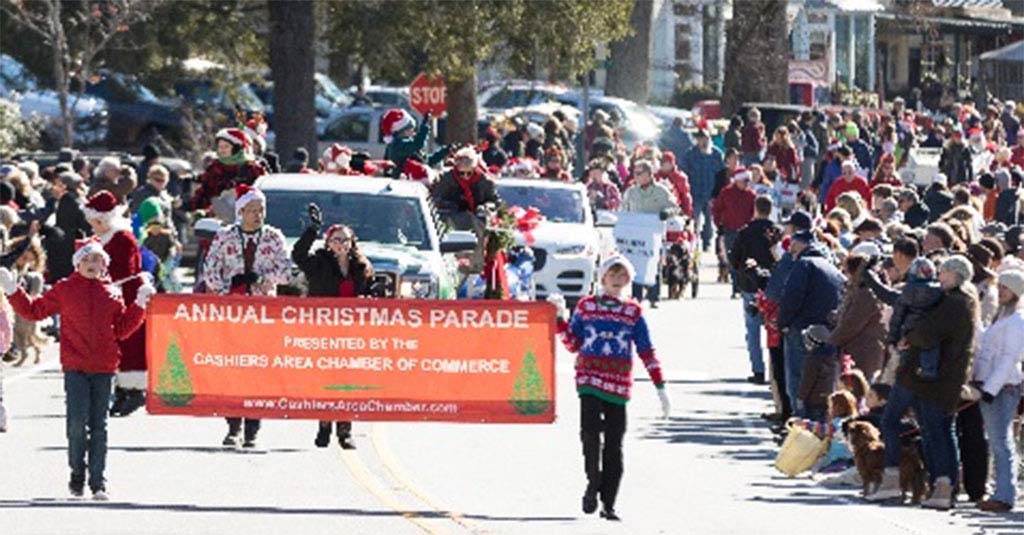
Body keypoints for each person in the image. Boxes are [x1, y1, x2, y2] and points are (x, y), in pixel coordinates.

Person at [0, 239, 153, 500]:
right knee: (76, 424)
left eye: (98, 260)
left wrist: (139, 304)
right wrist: (13, 290)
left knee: (99, 426)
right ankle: (77, 474)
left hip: (104, 369)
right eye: (88, 260)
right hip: (76, 368)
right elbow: (34, 311)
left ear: (105, 266)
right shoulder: (65, 289)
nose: (93, 264)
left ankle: (98, 482)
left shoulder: (112, 294)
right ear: (78, 264)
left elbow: (124, 329)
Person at [550, 255, 671, 521]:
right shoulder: (586, 307)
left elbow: (646, 350)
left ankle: (609, 502)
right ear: (602, 278)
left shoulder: (633, 312)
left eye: (622, 276)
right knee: (590, 435)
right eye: (612, 275)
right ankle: (593, 483)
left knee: (615, 445)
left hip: (618, 385)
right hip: (589, 380)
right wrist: (559, 319)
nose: (617, 280)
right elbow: (572, 343)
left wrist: (660, 386)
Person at [868, 256, 978, 510]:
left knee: (902, 422)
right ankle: (943, 486)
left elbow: (927, 332)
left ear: (957, 275)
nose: (940, 276)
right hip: (938, 378)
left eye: (945, 272)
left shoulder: (954, 303)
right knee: (937, 431)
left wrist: (907, 335)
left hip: (927, 377)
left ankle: (896, 480)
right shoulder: (960, 301)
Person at [202, 184, 291, 448]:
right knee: (233, 367)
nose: (257, 215)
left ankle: (253, 426)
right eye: (251, 210)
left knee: (257, 368)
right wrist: (228, 285)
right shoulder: (225, 236)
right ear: (241, 212)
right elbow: (210, 270)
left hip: (263, 311)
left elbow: (286, 272)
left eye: (260, 210)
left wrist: (262, 278)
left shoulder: (273, 237)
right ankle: (233, 425)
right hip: (233, 310)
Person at [293, 204, 375, 450]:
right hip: (325, 331)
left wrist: (371, 297)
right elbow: (298, 256)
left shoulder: (361, 267)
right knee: (327, 380)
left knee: (348, 381)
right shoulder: (319, 262)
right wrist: (311, 231)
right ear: (328, 242)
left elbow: (368, 291)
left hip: (351, 334)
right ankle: (324, 425)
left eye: (346, 240)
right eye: (336, 239)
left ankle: (345, 429)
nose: (341, 244)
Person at [82, 191, 148, 417]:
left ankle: (136, 388)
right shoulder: (102, 238)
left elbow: (125, 270)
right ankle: (121, 389)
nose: (92, 227)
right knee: (116, 344)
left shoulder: (123, 238)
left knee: (131, 341)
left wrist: (101, 274)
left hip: (128, 295)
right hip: (111, 295)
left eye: (94, 223)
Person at [778, 230, 845, 417]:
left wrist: (783, 323)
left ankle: (799, 421)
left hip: (802, 328)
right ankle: (816, 422)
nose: (790, 251)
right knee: (818, 379)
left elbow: (792, 297)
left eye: (793, 246)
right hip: (826, 330)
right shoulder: (832, 268)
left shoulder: (804, 264)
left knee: (797, 377)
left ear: (802, 246)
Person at [972, 269, 1024, 512]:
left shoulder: (1016, 322)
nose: (1000, 291)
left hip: (1002, 387)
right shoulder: (1001, 317)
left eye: (1005, 287)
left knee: (1000, 441)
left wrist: (990, 389)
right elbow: (985, 346)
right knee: (998, 441)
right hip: (991, 385)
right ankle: (1002, 491)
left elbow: (1008, 359)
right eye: (1000, 286)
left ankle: (1004, 495)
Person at [728, 195, 777, 384]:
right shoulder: (776, 232)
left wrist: (741, 272)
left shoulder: (745, 232)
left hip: (750, 285)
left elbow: (734, 259)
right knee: (774, 331)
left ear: (755, 209)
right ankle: (774, 372)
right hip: (774, 286)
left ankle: (758, 370)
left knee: (753, 329)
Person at [622, 160, 677, 308]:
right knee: (636, 265)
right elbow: (624, 212)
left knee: (653, 264)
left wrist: (667, 213)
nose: (636, 176)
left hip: (654, 234)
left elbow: (674, 208)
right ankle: (636, 297)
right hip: (637, 235)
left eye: (639, 173)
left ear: (648, 174)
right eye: (634, 173)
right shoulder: (631, 192)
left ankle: (654, 296)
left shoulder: (661, 191)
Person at [827, 253, 886, 379]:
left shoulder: (866, 293)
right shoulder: (856, 291)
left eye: (846, 271)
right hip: (856, 349)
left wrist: (828, 344)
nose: (845, 275)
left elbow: (850, 325)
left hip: (864, 352)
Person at [190, 128, 267, 210]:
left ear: (237, 148)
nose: (222, 150)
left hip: (248, 213)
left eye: (226, 146)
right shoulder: (214, 167)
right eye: (220, 147)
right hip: (218, 215)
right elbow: (205, 191)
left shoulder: (253, 168)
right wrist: (194, 207)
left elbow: (264, 191)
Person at [714, 167, 757, 297]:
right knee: (733, 260)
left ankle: (743, 286)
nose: (746, 183)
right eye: (744, 181)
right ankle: (735, 287)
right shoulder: (726, 193)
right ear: (737, 180)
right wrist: (719, 224)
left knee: (745, 259)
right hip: (730, 230)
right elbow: (717, 209)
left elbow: (754, 213)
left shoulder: (751, 195)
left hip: (745, 232)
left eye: (748, 181)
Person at [682, 130, 725, 251]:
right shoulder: (690, 154)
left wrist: (718, 193)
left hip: (711, 193)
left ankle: (707, 243)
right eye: (701, 139)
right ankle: (693, 242)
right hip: (695, 193)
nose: (703, 141)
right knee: (694, 220)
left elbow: (721, 174)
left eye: (706, 138)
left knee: (709, 220)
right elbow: (684, 172)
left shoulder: (716, 154)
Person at [654, 152, 692, 216]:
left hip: (675, 209)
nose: (662, 164)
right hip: (658, 209)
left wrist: (687, 213)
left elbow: (685, 196)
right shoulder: (655, 177)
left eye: (665, 162)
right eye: (661, 162)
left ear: (672, 163)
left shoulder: (680, 178)